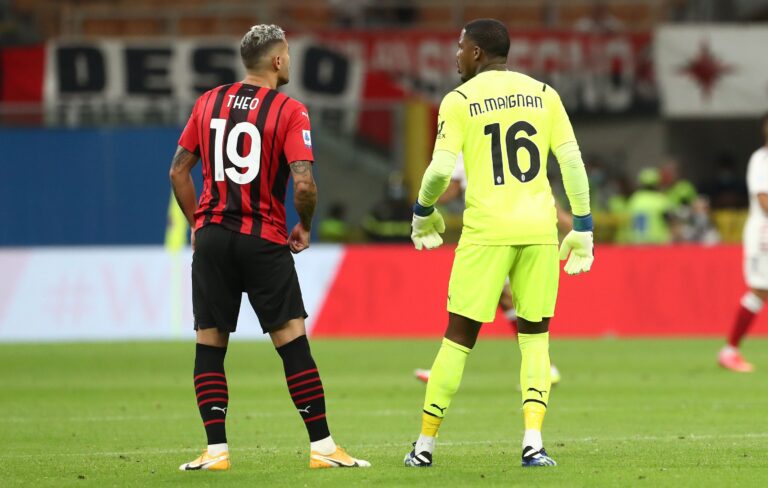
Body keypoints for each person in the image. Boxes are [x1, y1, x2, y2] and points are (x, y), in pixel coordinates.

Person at [169, 24, 369, 471]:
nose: (290, 61)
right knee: (292, 343)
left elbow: (178, 172)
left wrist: (199, 225)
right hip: (263, 238)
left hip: (214, 239)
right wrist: (306, 226)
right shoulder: (289, 110)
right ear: (278, 61)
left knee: (209, 345)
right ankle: (322, 447)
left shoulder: (207, 102)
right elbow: (304, 182)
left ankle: (215, 452)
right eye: (289, 54)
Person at [404, 19, 593, 468]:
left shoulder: (459, 100)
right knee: (535, 339)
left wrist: (422, 211)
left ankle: (424, 447)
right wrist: (583, 226)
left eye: (460, 47)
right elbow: (571, 163)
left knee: (457, 339)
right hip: (539, 231)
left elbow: (439, 172)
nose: (456, 55)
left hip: (486, 232)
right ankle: (534, 443)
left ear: (476, 52)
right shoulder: (545, 94)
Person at [413, 153, 563, 386]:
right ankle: (545, 369)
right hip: (524, 228)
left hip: (490, 234)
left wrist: (424, 201)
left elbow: (451, 189)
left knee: (466, 299)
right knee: (509, 300)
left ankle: (442, 372)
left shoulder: (467, 144)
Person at [719, 113, 768, 372]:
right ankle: (729, 351)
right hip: (763, 236)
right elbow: (763, 200)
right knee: (759, 290)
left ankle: (730, 350)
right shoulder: (761, 160)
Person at [625, 167, 673, 244]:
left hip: (638, 241)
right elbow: (669, 220)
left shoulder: (635, 199)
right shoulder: (660, 199)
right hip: (657, 241)